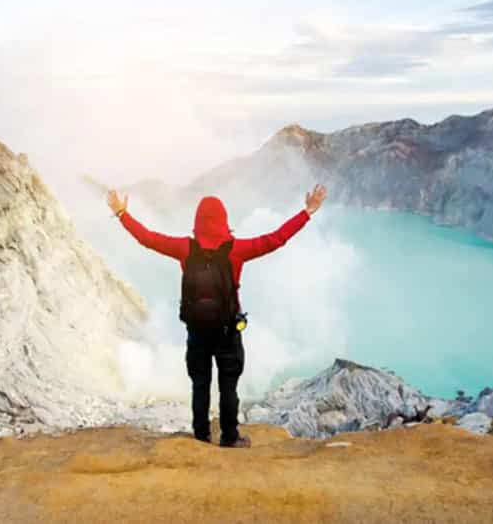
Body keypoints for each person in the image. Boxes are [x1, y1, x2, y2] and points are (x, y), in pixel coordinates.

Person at [106, 185, 327, 447]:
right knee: (228, 387)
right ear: (224, 220)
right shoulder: (236, 250)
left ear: (197, 221)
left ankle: (200, 436)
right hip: (227, 332)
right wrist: (308, 212)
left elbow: (148, 238)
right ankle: (230, 437)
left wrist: (122, 213)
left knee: (200, 385)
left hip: (197, 332)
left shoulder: (185, 249)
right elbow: (276, 239)